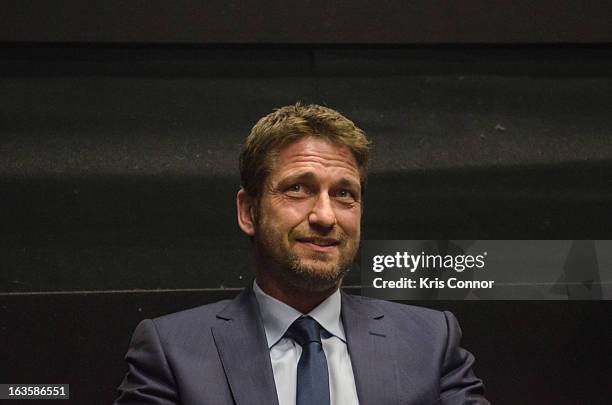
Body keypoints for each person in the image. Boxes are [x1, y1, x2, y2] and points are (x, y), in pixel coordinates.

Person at [115, 103, 490, 404]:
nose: (325, 216)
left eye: (344, 194)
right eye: (298, 188)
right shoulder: (172, 351)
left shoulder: (429, 341)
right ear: (249, 211)